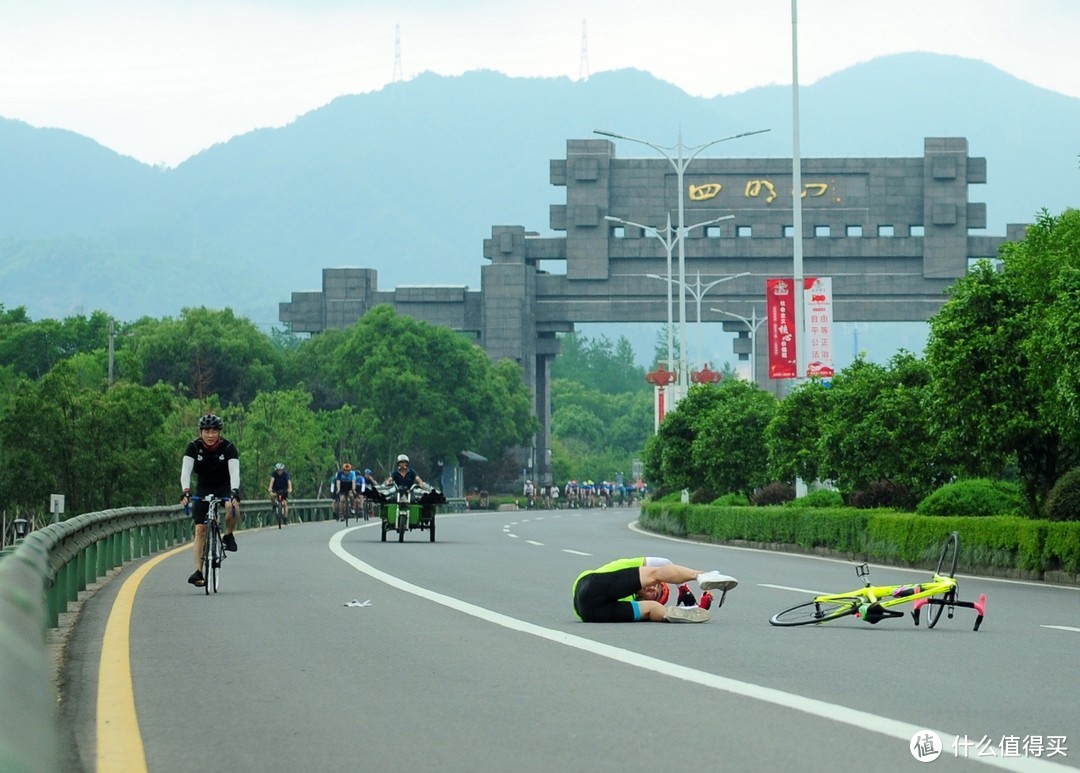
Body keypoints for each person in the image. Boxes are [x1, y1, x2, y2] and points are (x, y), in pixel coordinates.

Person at [572, 556, 738, 623]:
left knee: (654, 610)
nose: (651, 586)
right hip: (589, 595)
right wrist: (683, 589)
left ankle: (679, 614)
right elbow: (664, 563)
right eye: (657, 585)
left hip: (591, 612)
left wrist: (698, 609)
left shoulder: (633, 599)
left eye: (653, 593)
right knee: (656, 573)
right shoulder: (624, 567)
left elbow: (650, 604)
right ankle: (702, 575)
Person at [180, 414, 241, 587]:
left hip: (224, 487)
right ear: (201, 432)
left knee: (232, 506)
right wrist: (185, 492)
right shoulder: (193, 447)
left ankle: (228, 535)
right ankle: (199, 571)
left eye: (214, 431)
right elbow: (186, 472)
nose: (210, 435)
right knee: (200, 530)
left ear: (219, 432)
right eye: (207, 431)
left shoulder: (228, 447)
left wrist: (234, 492)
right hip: (203, 489)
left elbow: (234, 472)